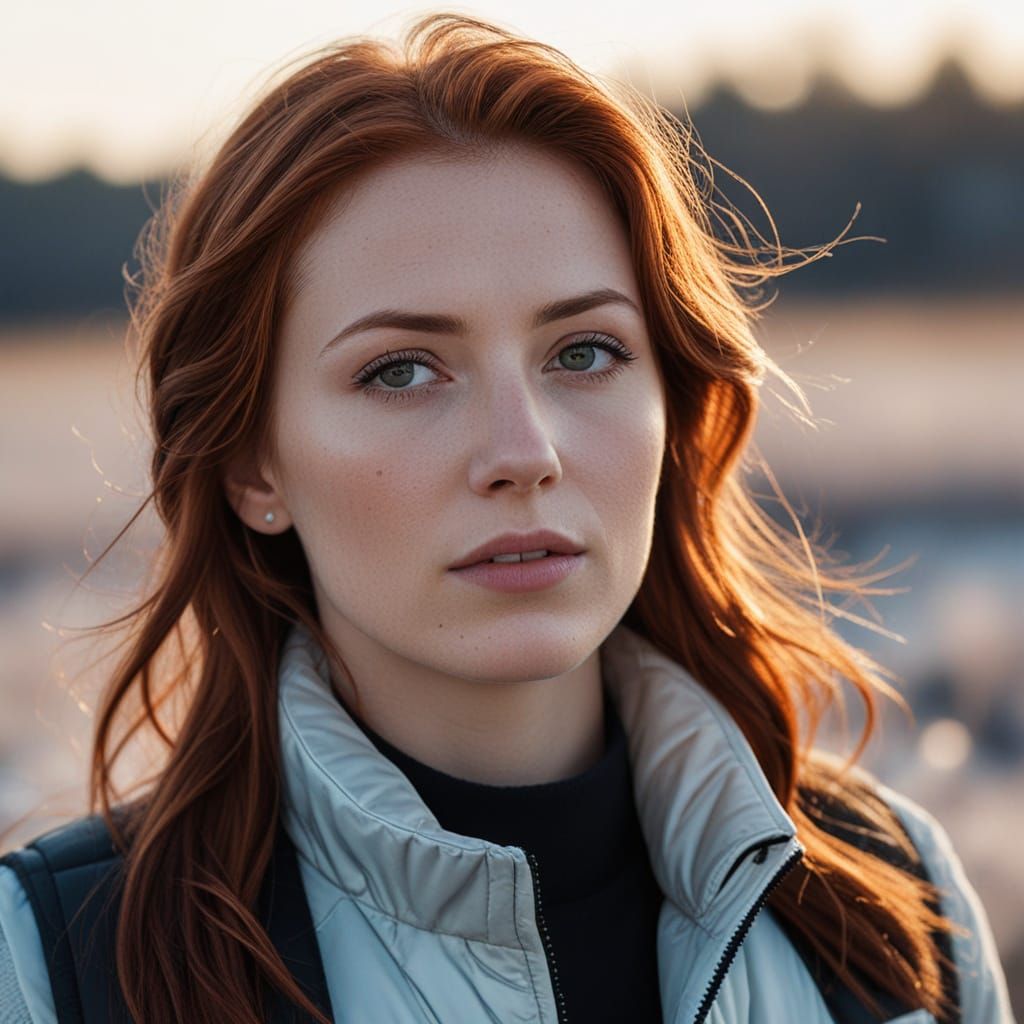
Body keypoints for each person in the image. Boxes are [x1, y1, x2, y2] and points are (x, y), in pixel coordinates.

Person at [0, 11, 1014, 1024]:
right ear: (249, 464)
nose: (523, 453)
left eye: (583, 352)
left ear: (674, 400)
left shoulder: (894, 905)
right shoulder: (59, 964)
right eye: (400, 370)